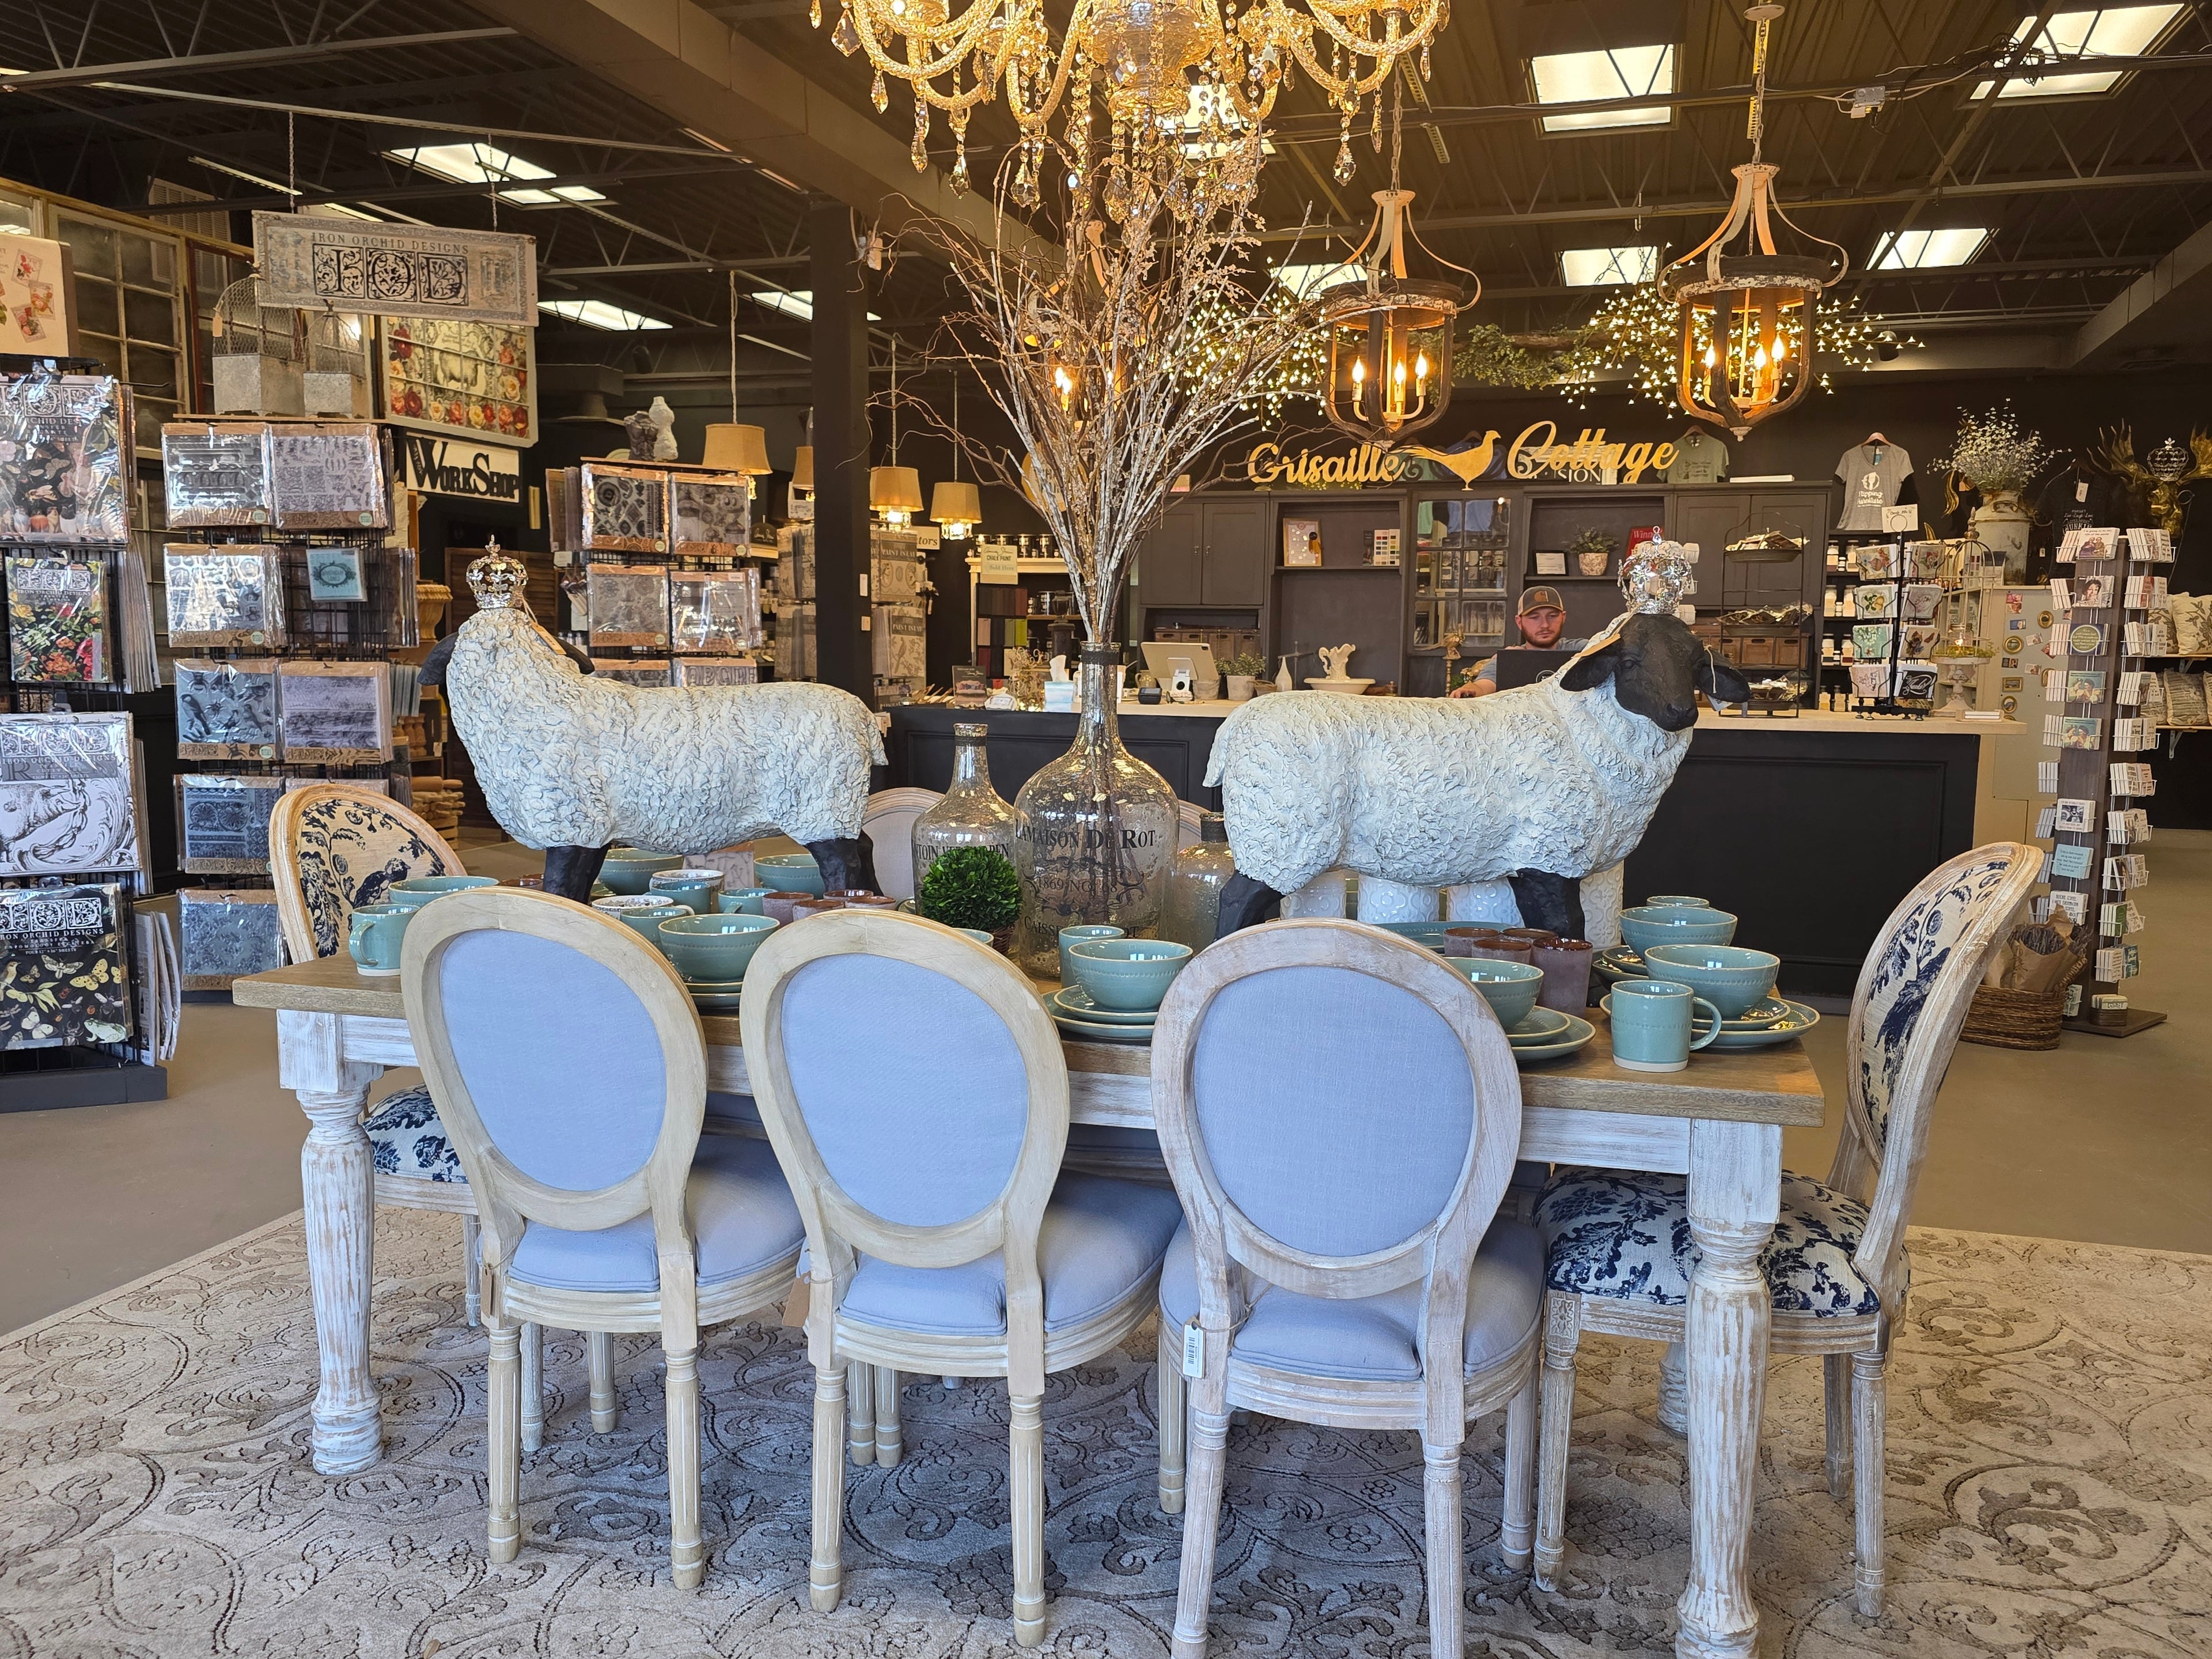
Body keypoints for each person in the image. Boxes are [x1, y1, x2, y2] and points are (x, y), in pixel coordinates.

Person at [1450, 586, 1589, 696]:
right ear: (1519, 622)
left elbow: (1602, 644)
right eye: (1534, 618)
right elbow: (1483, 685)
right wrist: (1469, 689)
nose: (1545, 625)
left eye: (1552, 616)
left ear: (1563, 618)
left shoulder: (1583, 650)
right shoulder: (1509, 658)